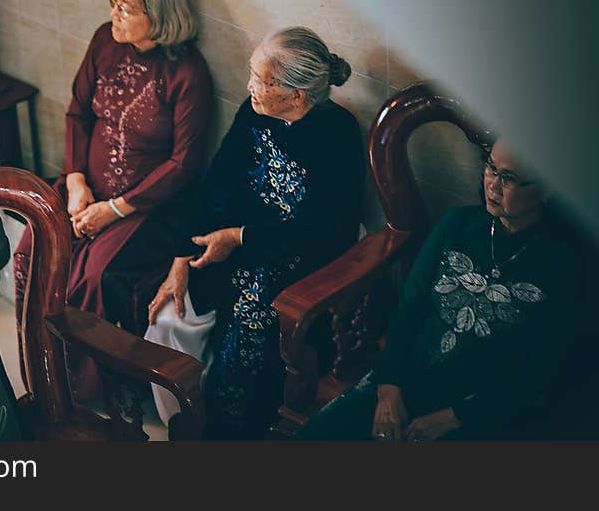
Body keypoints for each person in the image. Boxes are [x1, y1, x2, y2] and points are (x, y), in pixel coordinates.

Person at [144, 27, 365, 439]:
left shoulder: (339, 135)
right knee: (171, 311)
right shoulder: (253, 111)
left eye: (260, 80)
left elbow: (325, 230)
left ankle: (232, 432)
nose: (249, 87)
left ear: (296, 96)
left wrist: (239, 238)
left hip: (300, 255)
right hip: (234, 241)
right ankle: (186, 418)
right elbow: (217, 183)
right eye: (252, 73)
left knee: (251, 326)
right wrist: (180, 258)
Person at [294, 140, 588, 441]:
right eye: (491, 167)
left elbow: (538, 367)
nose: (492, 185)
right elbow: (409, 307)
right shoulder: (457, 224)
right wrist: (389, 388)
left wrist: (454, 418)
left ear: (546, 189)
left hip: (480, 404)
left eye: (509, 178)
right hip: (409, 374)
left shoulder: (564, 265)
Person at [13, 0, 213, 395]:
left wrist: (115, 210)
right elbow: (77, 113)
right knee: (33, 249)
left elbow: (184, 164)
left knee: (93, 277)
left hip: (150, 205)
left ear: (159, 18)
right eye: (113, 2)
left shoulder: (188, 73)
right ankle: (43, 365)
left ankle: (86, 390)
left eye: (126, 8)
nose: (113, 15)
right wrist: (76, 182)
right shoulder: (105, 41)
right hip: (87, 188)